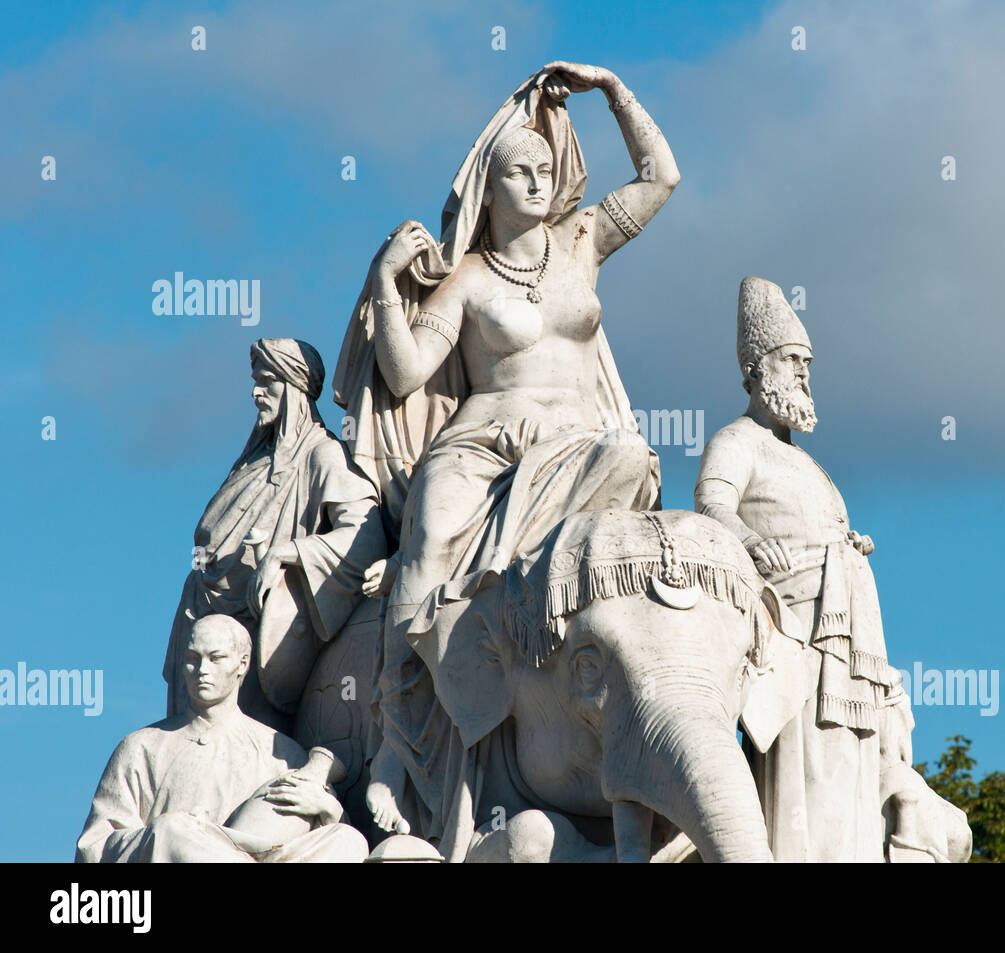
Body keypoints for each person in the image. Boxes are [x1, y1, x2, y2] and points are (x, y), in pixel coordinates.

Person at [331, 62, 678, 852]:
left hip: (578, 443)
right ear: (487, 188)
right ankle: (396, 745)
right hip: (483, 445)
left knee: (632, 458)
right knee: (426, 548)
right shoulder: (467, 279)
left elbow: (662, 177)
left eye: (545, 169)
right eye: (519, 170)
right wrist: (386, 281)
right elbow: (406, 373)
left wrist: (613, 90)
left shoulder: (581, 242)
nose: (537, 179)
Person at [695, 276, 914, 862]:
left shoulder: (807, 462)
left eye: (807, 363)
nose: (803, 374)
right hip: (793, 636)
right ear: (756, 369)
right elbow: (711, 505)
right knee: (805, 769)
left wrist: (848, 547)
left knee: (850, 770)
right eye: (791, 360)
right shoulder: (737, 440)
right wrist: (748, 540)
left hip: (845, 637)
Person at [162, 338, 386, 732]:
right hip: (199, 618)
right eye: (256, 382)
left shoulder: (322, 454)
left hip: (256, 630)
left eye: (267, 382)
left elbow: (365, 539)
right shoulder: (250, 462)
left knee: (242, 749)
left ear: (295, 388)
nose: (256, 393)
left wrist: (285, 553)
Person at [78, 616, 368, 863]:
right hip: (181, 852)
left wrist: (328, 809)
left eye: (215, 658)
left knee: (348, 839)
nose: (202, 670)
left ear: (242, 664)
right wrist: (169, 834)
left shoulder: (281, 752)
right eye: (192, 659)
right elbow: (94, 848)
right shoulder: (142, 747)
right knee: (170, 828)